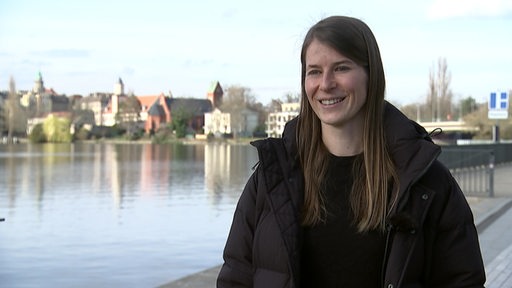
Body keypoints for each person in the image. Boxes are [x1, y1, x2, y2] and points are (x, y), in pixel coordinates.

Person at [217, 15, 486, 288]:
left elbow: (463, 281)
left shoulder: (425, 182)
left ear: (372, 75)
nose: (326, 83)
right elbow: (236, 277)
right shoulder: (273, 177)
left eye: (341, 68)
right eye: (314, 71)